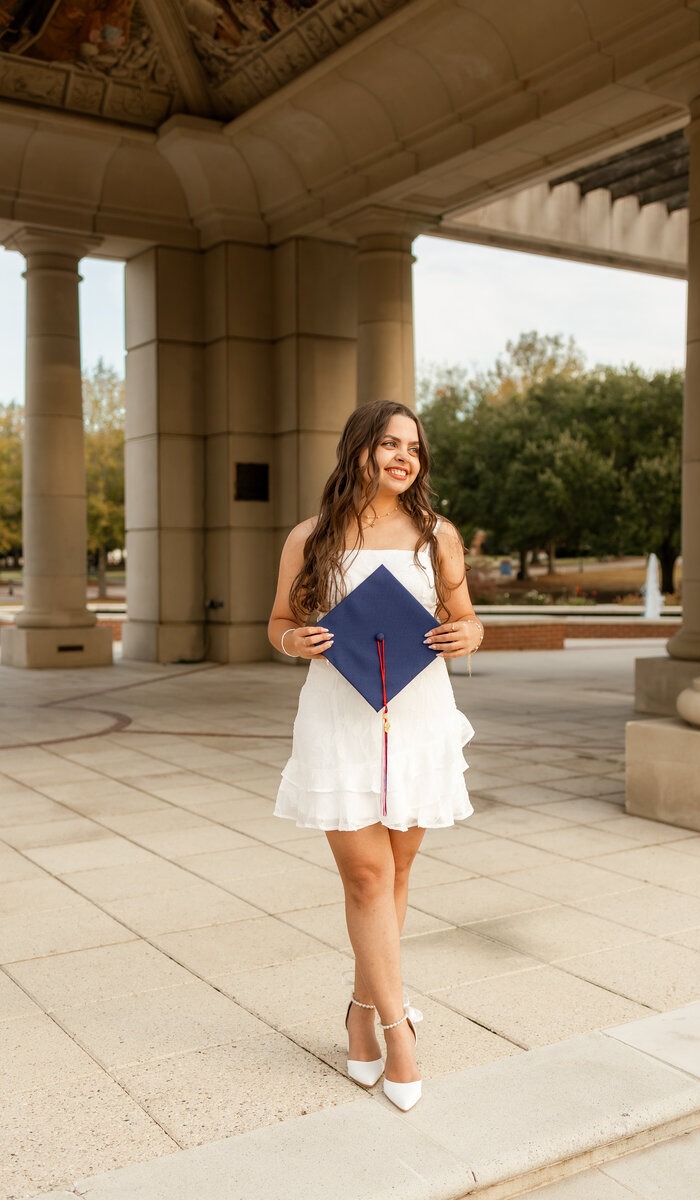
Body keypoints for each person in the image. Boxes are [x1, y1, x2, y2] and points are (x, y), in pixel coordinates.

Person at [268, 399, 483, 1112]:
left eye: (413, 449)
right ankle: (398, 1031)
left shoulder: (436, 536)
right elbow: (278, 623)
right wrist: (292, 641)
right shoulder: (312, 538)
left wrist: (467, 636)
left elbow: (466, 617)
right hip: (340, 718)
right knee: (366, 876)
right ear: (357, 449)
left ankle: (359, 1010)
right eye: (389, 443)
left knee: (397, 872)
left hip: (418, 716)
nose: (403, 457)